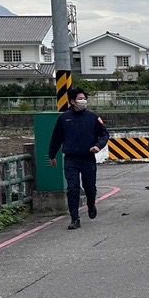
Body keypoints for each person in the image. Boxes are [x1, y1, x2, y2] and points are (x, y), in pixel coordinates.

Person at [48, 87, 109, 230]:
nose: (83, 101)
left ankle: (91, 204)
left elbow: (105, 134)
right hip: (71, 158)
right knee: (73, 188)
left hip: (88, 158)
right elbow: (56, 138)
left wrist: (98, 146)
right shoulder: (64, 118)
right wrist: (52, 155)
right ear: (72, 101)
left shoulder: (93, 117)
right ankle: (74, 218)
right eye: (80, 99)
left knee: (89, 187)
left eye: (84, 98)